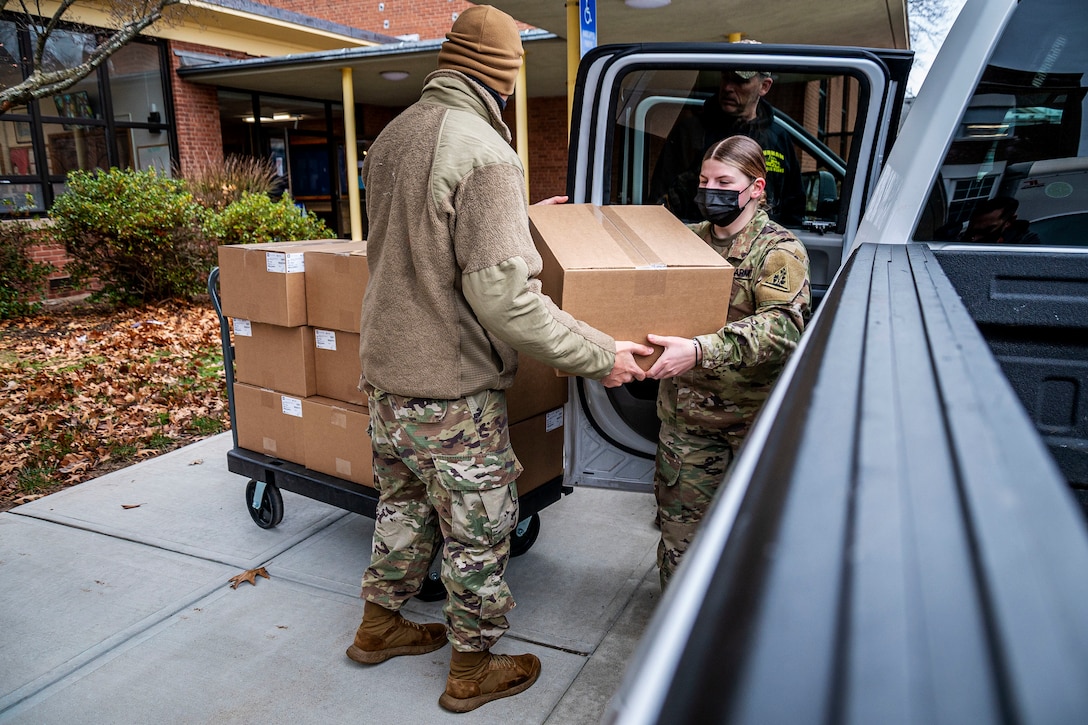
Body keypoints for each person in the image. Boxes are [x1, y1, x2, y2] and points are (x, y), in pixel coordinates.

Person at [347, 5, 653, 714]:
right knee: (478, 529)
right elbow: (507, 302)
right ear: (503, 77)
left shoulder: (393, 136)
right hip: (452, 391)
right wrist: (600, 353)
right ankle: (471, 671)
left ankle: (378, 624)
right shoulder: (485, 151)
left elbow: (425, 237)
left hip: (388, 380)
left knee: (402, 507)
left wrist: (515, 214)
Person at [645, 135, 811, 588]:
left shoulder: (778, 250)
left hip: (752, 423)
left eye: (723, 181)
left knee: (756, 544)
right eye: (703, 180)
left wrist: (701, 349)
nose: (709, 190)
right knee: (681, 545)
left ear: (756, 188)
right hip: (687, 422)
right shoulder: (684, 242)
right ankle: (678, 645)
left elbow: (783, 328)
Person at [649, 65, 806, 227]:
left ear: (764, 86)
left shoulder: (778, 138)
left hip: (757, 243)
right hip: (693, 239)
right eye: (725, 77)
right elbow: (661, 198)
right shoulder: (692, 132)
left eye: (739, 81)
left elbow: (793, 205)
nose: (727, 87)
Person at [961, 196, 1040, 244]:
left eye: (987, 229)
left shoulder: (1025, 242)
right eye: (974, 230)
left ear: (1009, 222)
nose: (975, 238)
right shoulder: (962, 238)